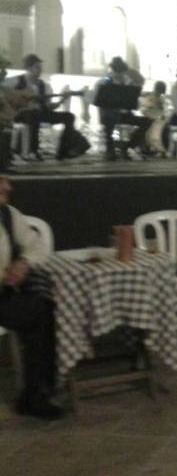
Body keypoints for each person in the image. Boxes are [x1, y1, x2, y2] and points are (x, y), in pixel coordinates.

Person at [0, 174, 62, 419]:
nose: (8, 186)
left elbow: (36, 246)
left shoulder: (8, 214)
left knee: (44, 306)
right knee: (41, 312)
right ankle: (37, 393)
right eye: (1, 180)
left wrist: (23, 263)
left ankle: (36, 392)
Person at [8, 54, 77, 161]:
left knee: (69, 117)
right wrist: (19, 97)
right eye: (37, 67)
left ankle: (62, 152)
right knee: (33, 114)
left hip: (40, 113)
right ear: (29, 68)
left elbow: (48, 107)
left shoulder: (42, 85)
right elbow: (4, 91)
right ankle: (33, 151)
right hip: (20, 113)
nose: (40, 70)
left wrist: (62, 100)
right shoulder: (17, 81)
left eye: (40, 67)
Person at [95, 57, 151, 160]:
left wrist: (135, 98)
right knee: (109, 119)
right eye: (117, 71)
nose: (119, 74)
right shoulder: (106, 81)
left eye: (121, 71)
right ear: (113, 70)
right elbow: (99, 99)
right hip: (110, 113)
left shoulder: (128, 82)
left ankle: (127, 147)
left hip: (125, 114)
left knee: (146, 121)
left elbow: (135, 103)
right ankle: (110, 151)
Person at [139, 81, 168, 155]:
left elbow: (163, 111)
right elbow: (146, 108)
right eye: (159, 89)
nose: (160, 92)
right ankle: (150, 146)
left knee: (159, 128)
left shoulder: (161, 99)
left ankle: (156, 147)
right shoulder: (150, 97)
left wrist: (161, 109)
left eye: (161, 90)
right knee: (151, 129)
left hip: (157, 118)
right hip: (149, 116)